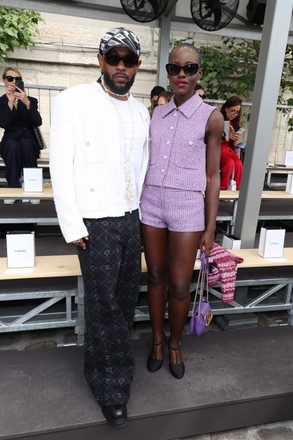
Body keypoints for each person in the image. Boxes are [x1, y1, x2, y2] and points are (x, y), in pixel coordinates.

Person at [50, 27, 149, 429]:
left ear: (138, 65)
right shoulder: (73, 101)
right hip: (94, 220)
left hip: (130, 216)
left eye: (128, 60)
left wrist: (137, 213)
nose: (120, 66)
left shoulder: (141, 110)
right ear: (100, 59)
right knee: (104, 304)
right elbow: (60, 163)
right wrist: (73, 222)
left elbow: (139, 165)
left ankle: (100, 368)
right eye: (113, 58)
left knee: (124, 299)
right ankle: (113, 388)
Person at [140, 43, 223, 379]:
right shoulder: (156, 113)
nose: (182, 75)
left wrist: (210, 227)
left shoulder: (211, 117)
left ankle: (175, 343)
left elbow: (213, 175)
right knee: (155, 276)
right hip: (151, 204)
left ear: (199, 72)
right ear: (168, 72)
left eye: (189, 68)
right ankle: (157, 341)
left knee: (178, 283)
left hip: (188, 207)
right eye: (175, 68)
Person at [0, 67, 42, 204]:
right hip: (10, 139)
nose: (13, 82)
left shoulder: (31, 100)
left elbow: (37, 121)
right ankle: (14, 189)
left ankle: (32, 188)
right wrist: (10, 102)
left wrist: (26, 102)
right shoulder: (1, 102)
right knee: (12, 147)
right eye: (10, 78)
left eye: (17, 79)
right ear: (4, 81)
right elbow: (4, 124)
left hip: (28, 138)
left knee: (27, 145)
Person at [220, 96, 244, 190]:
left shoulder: (235, 123)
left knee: (238, 164)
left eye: (237, 112)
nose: (234, 114)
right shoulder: (218, 119)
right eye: (232, 110)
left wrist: (237, 138)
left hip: (228, 150)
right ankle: (223, 188)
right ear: (226, 108)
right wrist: (225, 136)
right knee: (229, 163)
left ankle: (235, 189)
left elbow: (234, 145)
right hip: (218, 149)